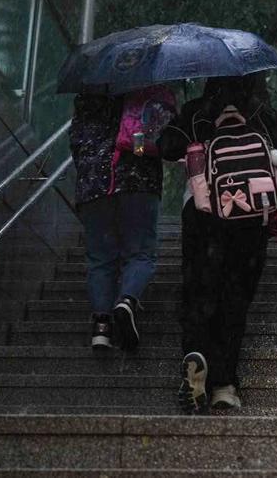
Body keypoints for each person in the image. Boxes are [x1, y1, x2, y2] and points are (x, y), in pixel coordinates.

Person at [158, 74, 277, 414]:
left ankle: (196, 353)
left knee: (199, 291)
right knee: (235, 298)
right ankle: (225, 384)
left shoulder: (197, 109)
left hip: (202, 213)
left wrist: (193, 125)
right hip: (249, 219)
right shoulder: (260, 112)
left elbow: (165, 147)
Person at [69, 85, 176, 352]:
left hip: (94, 186)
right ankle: (126, 301)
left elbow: (76, 143)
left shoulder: (86, 99)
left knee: (100, 257)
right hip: (137, 181)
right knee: (140, 252)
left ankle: (101, 328)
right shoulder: (146, 91)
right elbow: (154, 143)